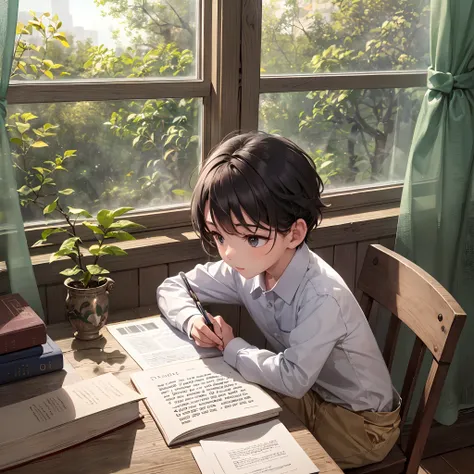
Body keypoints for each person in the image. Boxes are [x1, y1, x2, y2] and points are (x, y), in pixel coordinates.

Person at [156, 131, 400, 469]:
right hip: (311, 396)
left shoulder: (322, 295)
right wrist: (192, 320)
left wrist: (231, 346)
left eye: (252, 238)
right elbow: (173, 286)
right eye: (219, 235)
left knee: (253, 456)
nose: (229, 252)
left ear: (295, 233)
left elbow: (292, 378)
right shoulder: (245, 267)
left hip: (361, 426)